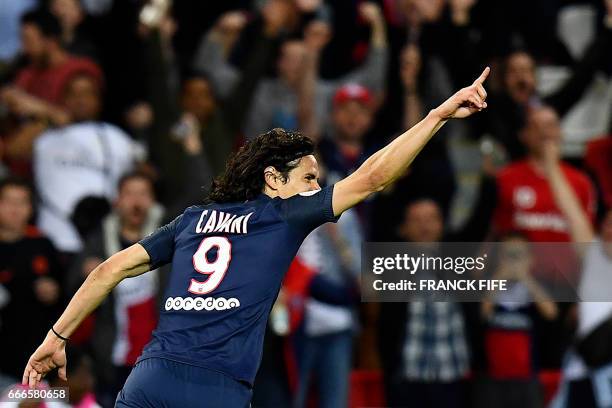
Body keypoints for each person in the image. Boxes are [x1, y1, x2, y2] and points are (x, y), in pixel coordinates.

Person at [22, 68, 491, 407]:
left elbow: (110, 269)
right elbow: (371, 178)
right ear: (273, 179)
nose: (315, 188)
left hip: (151, 379)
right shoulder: (284, 216)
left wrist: (56, 336)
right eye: (308, 177)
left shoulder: (191, 219)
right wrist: (437, 116)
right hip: (217, 389)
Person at [68, 172, 165, 406]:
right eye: (130, 194)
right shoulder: (100, 238)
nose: (136, 201)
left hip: (160, 357)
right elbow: (70, 288)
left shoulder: (168, 233)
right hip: (113, 360)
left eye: (143, 194)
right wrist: (85, 274)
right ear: (117, 201)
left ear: (152, 201)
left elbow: (198, 193)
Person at [0, 178, 63, 382]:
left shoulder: (43, 245)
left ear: (31, 208)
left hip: (36, 354)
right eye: (8, 201)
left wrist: (54, 291)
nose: (15, 209)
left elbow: (65, 294)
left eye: (22, 202)